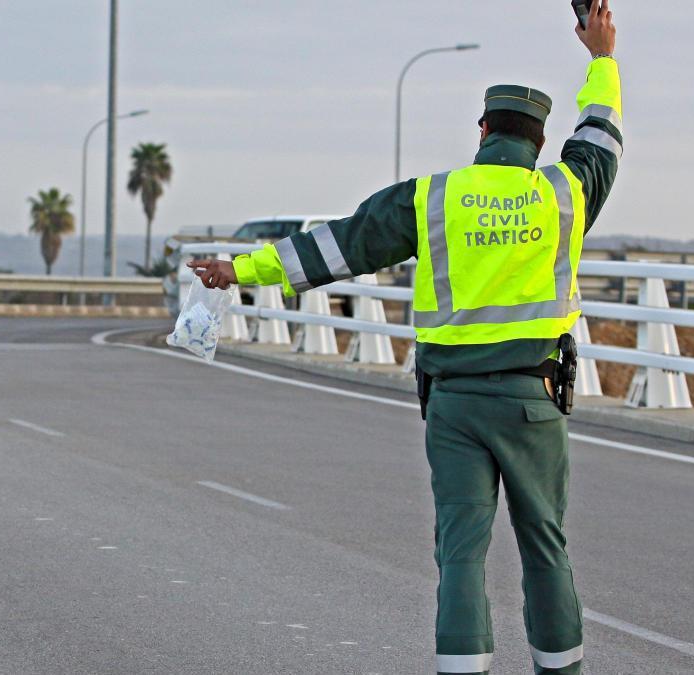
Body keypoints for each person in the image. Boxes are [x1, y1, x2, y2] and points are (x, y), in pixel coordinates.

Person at [189, 4, 618, 673]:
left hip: (453, 406)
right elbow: (601, 135)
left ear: (482, 130)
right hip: (533, 402)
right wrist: (602, 57)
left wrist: (241, 268)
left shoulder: (431, 198)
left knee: (461, 555)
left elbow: (339, 245)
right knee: (545, 550)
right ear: (539, 142)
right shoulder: (565, 193)